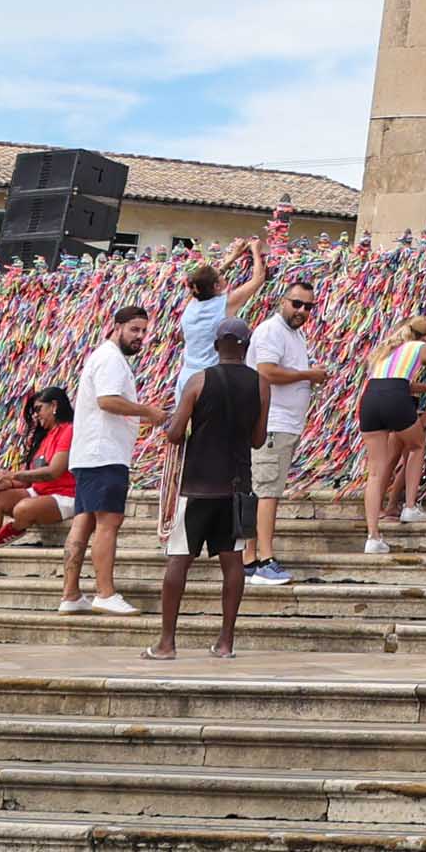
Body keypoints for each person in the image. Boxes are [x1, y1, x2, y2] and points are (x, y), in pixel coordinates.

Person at [150, 317, 267, 659]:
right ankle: (225, 642)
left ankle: (167, 643)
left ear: (216, 347)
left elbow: (174, 434)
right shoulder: (261, 385)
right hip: (235, 488)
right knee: (232, 565)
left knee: (179, 562)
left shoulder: (199, 380)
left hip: (197, 486)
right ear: (245, 348)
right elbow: (258, 440)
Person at [64, 300, 160, 616]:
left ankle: (71, 593)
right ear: (117, 327)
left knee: (85, 521)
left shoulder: (106, 358)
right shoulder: (110, 359)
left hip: (93, 453)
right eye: (134, 330)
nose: (139, 336)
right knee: (109, 522)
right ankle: (105, 592)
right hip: (103, 453)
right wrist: (147, 411)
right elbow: (107, 401)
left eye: (144, 331)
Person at [248, 276, 326, 586]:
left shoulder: (295, 336)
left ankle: (253, 557)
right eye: (297, 304)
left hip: (284, 425)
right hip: (272, 424)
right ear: (283, 301)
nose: (302, 311)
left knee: (268, 491)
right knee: (267, 492)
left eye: (309, 306)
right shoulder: (271, 331)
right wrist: (308, 374)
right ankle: (262, 560)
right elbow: (266, 371)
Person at [0, 386, 79, 573]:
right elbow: (31, 479)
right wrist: (10, 483)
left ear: (54, 405)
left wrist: (12, 475)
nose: (36, 415)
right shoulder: (44, 437)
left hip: (65, 496)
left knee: (23, 509)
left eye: (38, 409)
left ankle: (16, 527)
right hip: (39, 493)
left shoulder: (69, 430)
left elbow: (54, 472)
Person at [360, 311, 426, 554]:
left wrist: (422, 387)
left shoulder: (387, 348)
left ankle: (373, 537)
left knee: (375, 472)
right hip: (397, 400)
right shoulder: (423, 348)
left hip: (370, 399)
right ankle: (409, 506)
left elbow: (393, 381)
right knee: (417, 445)